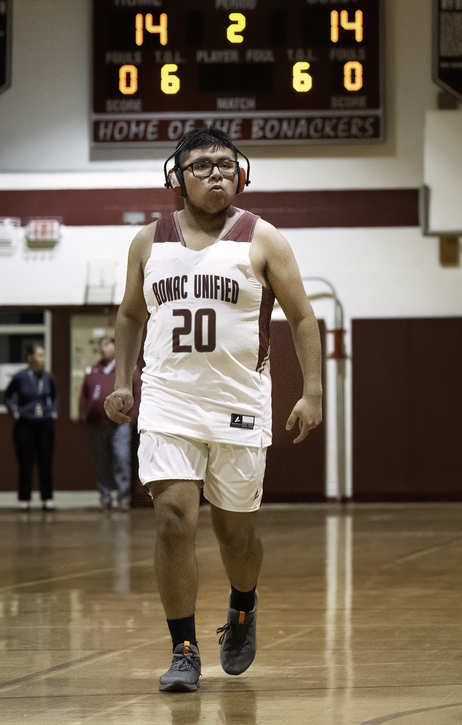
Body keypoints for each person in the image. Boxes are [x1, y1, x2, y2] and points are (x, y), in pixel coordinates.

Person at [106, 128, 323, 694]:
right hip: (168, 402)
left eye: (227, 164)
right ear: (176, 178)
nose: (217, 173)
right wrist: (122, 379)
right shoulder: (147, 242)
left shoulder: (264, 239)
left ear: (242, 174)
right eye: (203, 165)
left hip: (239, 406)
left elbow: (302, 317)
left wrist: (313, 391)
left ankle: (243, 608)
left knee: (236, 536)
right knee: (174, 519)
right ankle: (183, 648)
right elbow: (130, 316)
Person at [79, 337, 135, 510]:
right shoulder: (93, 370)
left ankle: (123, 497)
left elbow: (138, 392)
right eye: (100, 346)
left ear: (115, 347)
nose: (102, 349)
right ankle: (105, 497)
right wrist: (85, 415)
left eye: (106, 345)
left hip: (120, 425)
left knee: (121, 458)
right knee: (101, 461)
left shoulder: (126, 370)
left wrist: (133, 416)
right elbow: (84, 396)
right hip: (96, 425)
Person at [5, 343, 56, 513]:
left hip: (44, 423)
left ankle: (47, 498)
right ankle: (24, 499)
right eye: (39, 355)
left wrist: (53, 411)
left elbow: (54, 396)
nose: (43, 359)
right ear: (30, 358)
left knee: (45, 462)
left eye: (44, 355)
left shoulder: (48, 376)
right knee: (26, 462)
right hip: (25, 423)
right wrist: (15, 412)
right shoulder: (20, 377)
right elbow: (8, 396)